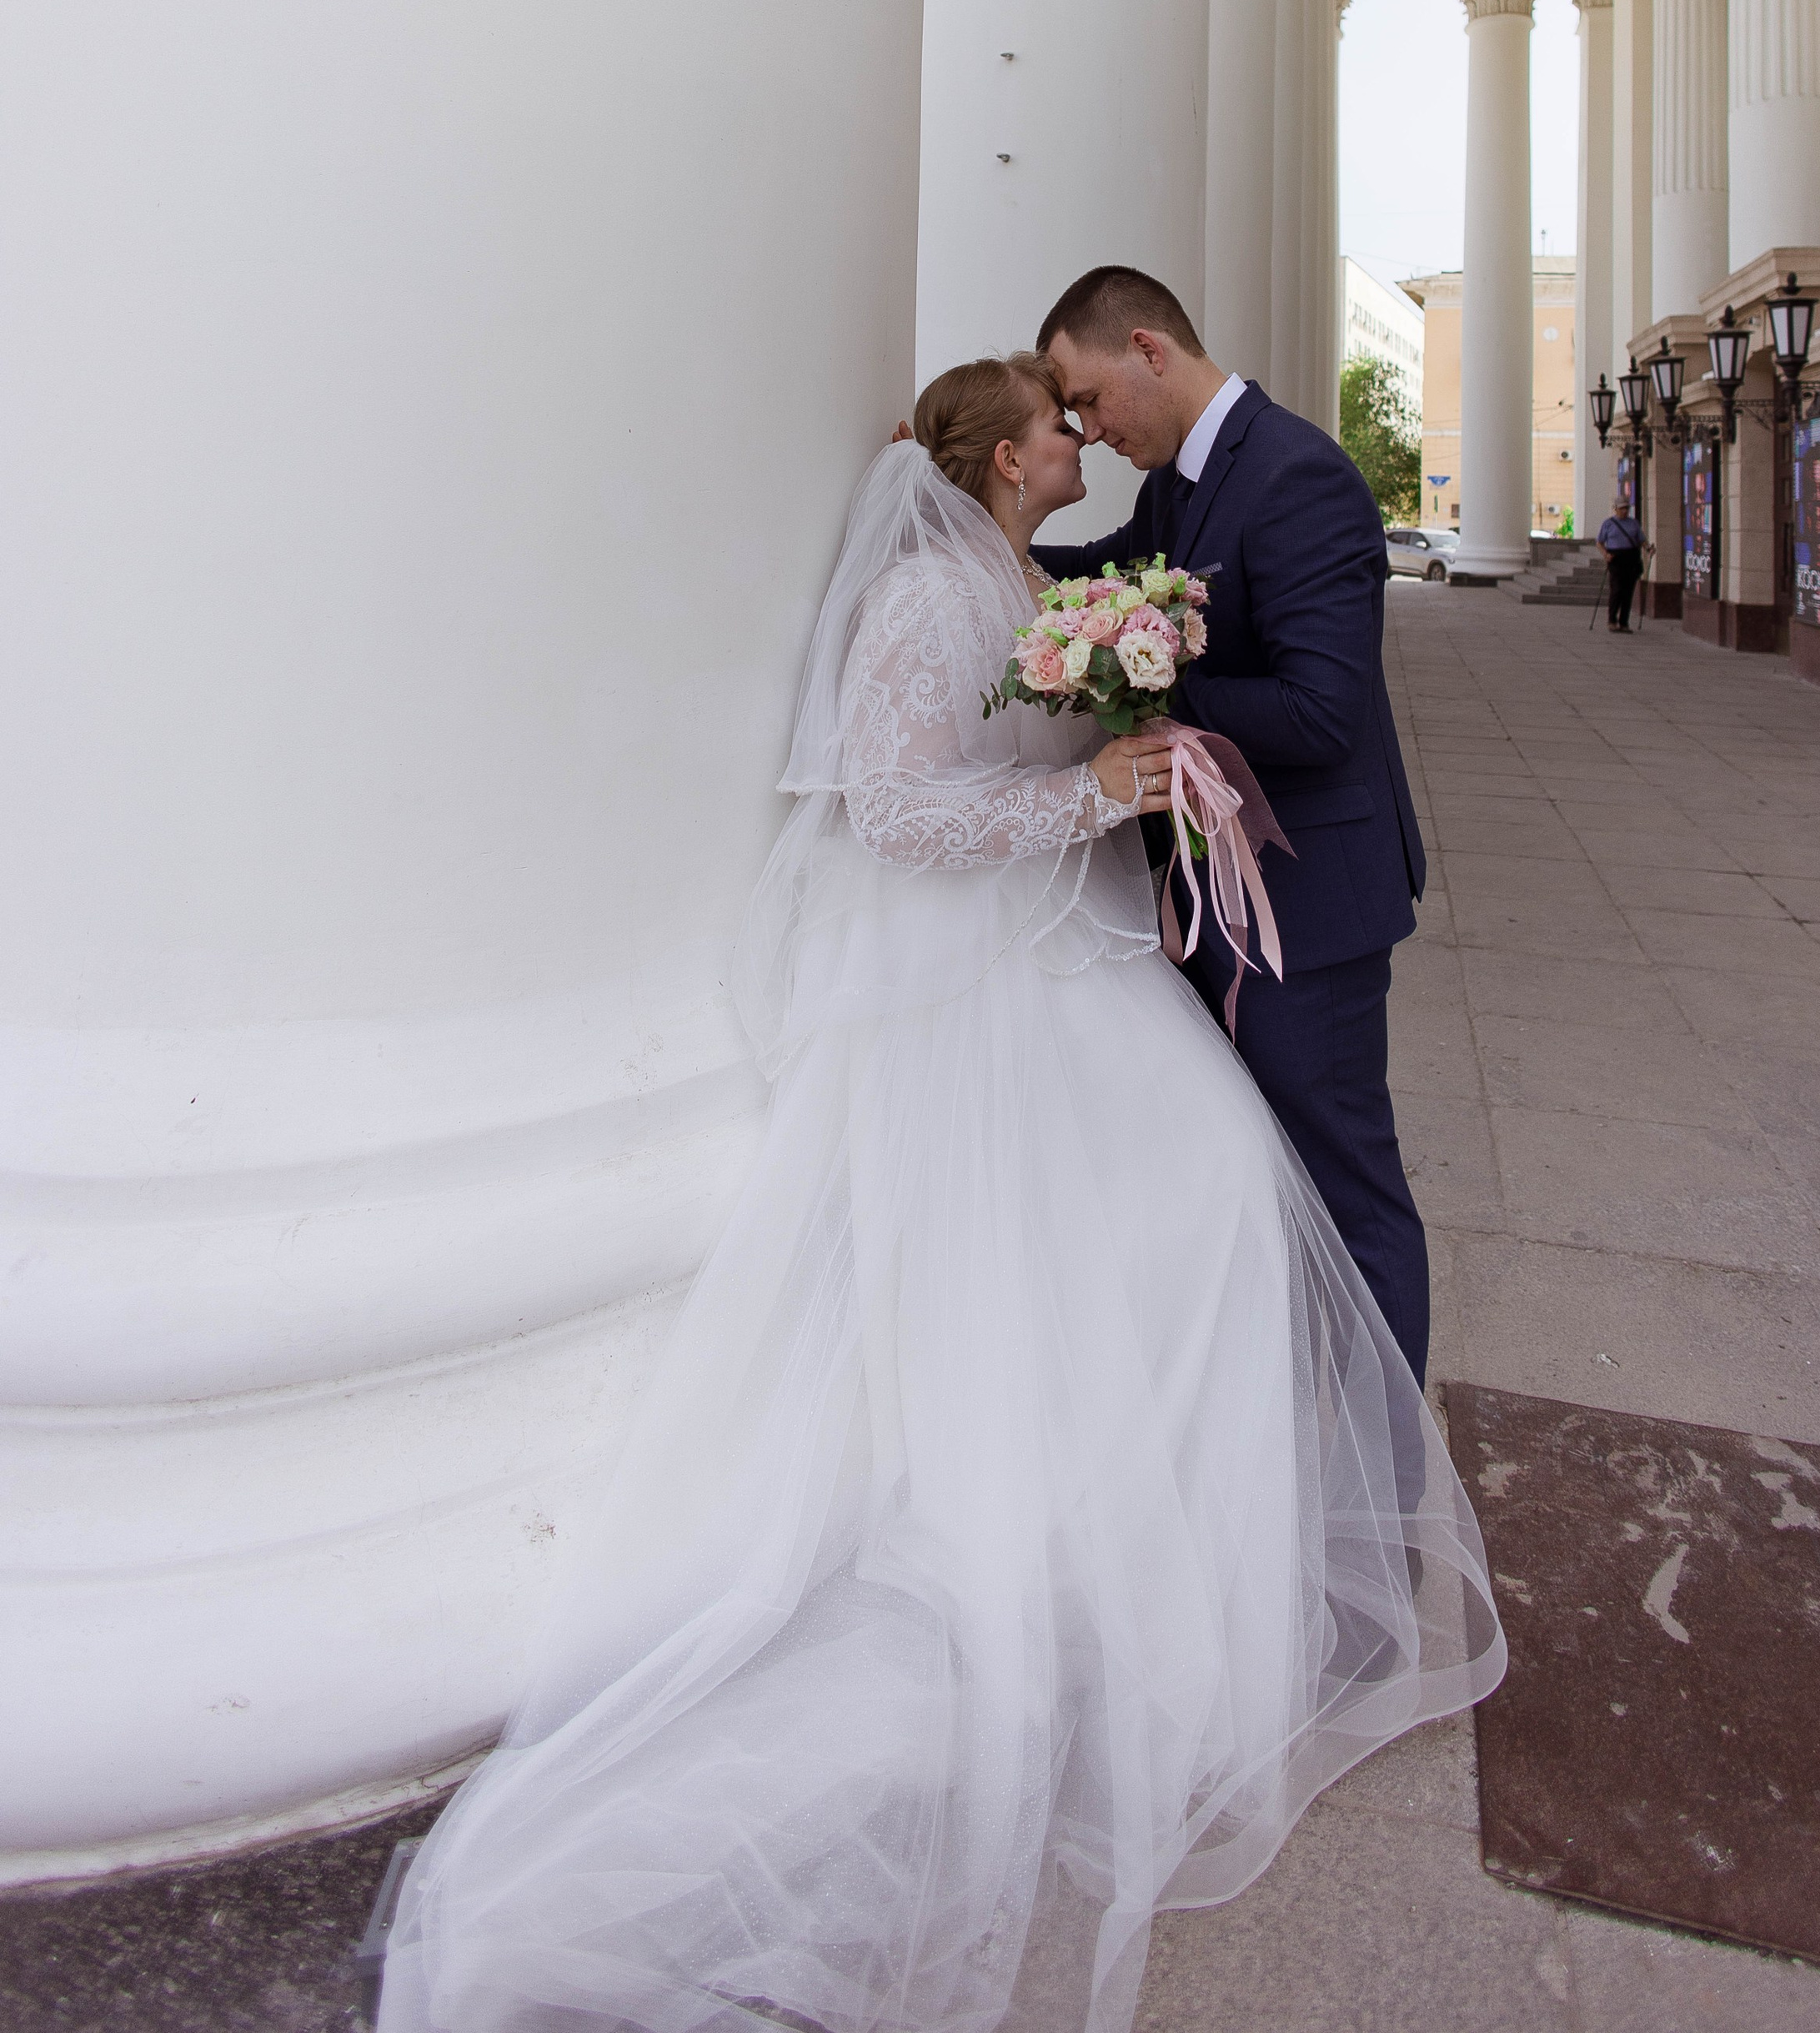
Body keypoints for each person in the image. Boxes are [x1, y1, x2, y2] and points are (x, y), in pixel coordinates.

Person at [381, 354, 1502, 2033]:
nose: (1078, 436)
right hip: (978, 974)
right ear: (998, 456)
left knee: (1207, 1192)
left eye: (1079, 409)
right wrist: (1093, 785)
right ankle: (1103, 1522)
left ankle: (1223, 1507)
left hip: (1060, 943)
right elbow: (893, 802)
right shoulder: (926, 593)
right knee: (1166, 1198)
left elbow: (1097, 668)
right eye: (1053, 424)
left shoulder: (1010, 566)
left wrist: (1124, 729)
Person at [1033, 267, 1435, 1393]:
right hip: (1221, 891)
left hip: (1310, 901)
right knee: (1260, 1175)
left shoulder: (1301, 475)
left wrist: (1143, 682)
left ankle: (1385, 1475)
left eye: (1092, 399)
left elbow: (1321, 708)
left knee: (1348, 1189)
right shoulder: (1184, 482)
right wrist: (989, 538)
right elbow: (1117, 576)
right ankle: (1293, 1418)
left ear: (1150, 349)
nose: (1092, 431)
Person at [1598, 494, 1644, 632]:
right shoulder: (1608, 524)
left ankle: (1624, 622)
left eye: (1626, 508)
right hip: (1615, 557)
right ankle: (1612, 620)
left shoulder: (1633, 523)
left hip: (1631, 558)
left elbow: (1641, 539)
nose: (1625, 511)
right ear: (1616, 509)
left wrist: (1648, 548)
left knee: (1628, 592)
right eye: (1622, 508)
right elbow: (1600, 542)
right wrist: (1605, 554)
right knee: (1617, 589)